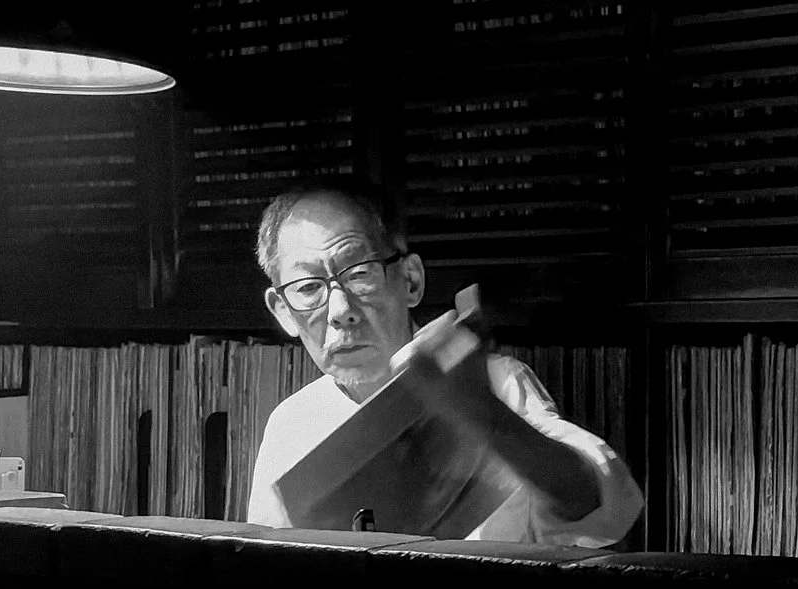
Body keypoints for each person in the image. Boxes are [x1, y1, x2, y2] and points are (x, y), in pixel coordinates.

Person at [243, 177, 642, 546]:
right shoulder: (289, 424)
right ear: (282, 310)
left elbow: (599, 509)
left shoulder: (497, 384)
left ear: (411, 280)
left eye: (359, 273)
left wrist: (481, 411)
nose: (340, 310)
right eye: (309, 287)